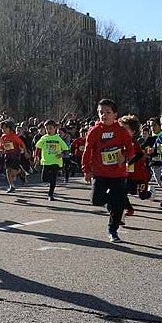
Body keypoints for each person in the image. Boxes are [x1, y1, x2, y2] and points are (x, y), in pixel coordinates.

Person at [81, 99, 133, 243]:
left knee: (119, 202)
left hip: (118, 173)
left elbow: (130, 149)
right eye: (101, 112)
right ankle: (113, 204)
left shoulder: (121, 131)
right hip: (100, 172)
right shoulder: (94, 131)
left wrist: (125, 156)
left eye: (108, 112)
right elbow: (87, 151)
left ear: (115, 114)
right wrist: (86, 170)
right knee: (96, 200)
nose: (104, 115)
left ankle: (113, 230)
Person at [34, 119, 70, 201]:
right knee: (44, 178)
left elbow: (66, 148)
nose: (48, 130)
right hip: (46, 161)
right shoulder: (44, 138)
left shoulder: (58, 138)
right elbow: (38, 147)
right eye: (47, 128)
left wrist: (62, 154)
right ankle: (53, 179)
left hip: (55, 162)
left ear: (55, 128)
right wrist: (36, 156)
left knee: (53, 180)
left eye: (50, 128)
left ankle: (50, 195)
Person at [0, 120, 27, 193]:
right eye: (2, 128)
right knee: (8, 170)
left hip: (15, 155)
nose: (4, 130)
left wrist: (25, 152)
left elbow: (22, 144)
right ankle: (11, 186)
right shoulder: (3, 136)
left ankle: (20, 171)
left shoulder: (14, 136)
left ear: (10, 128)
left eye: (5, 128)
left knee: (13, 171)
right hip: (7, 155)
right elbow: (1, 146)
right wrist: (0, 150)